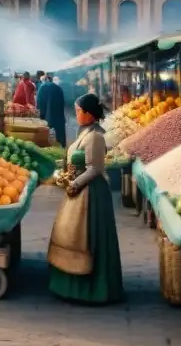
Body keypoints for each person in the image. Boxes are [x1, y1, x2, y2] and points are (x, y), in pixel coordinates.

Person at [47, 93, 123, 304]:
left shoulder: (96, 137)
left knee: (86, 239)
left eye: (79, 111)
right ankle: (69, 286)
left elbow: (95, 169)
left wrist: (75, 183)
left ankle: (91, 290)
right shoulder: (86, 133)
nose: (77, 114)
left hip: (91, 194)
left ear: (89, 114)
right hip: (77, 190)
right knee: (70, 235)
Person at [39, 72, 68, 146]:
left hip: (48, 117)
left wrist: (41, 116)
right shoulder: (58, 88)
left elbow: (40, 103)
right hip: (59, 117)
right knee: (61, 138)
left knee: (48, 140)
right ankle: (63, 150)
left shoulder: (43, 87)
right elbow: (63, 103)